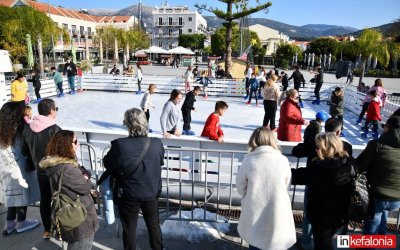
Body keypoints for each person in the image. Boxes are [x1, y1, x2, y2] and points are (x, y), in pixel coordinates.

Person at [103, 108, 164, 250]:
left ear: (128, 124)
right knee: (153, 225)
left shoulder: (120, 145)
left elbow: (108, 164)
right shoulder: (156, 143)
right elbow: (159, 162)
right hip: (151, 191)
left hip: (129, 193)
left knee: (129, 228)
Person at [236, 127, 296, 250]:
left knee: (255, 241)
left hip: (254, 209)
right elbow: (287, 184)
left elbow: (240, 186)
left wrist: (250, 196)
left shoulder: (249, 160)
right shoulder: (282, 160)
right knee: (276, 241)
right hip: (278, 209)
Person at [291, 133, 353, 250]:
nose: (315, 149)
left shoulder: (319, 168)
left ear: (327, 148)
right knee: (327, 240)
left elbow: (297, 176)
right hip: (341, 213)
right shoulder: (348, 163)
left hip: (322, 215)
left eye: (318, 146)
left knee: (323, 244)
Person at [39, 130, 98, 249]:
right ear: (66, 145)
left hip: (69, 210)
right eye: (75, 141)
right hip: (79, 216)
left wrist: (83, 174)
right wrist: (86, 176)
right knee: (82, 243)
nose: (78, 144)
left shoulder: (57, 164)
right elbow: (85, 187)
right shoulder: (67, 168)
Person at [22, 98, 61, 239]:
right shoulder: (55, 129)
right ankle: (60, 228)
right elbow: (64, 151)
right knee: (59, 199)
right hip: (56, 171)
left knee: (45, 199)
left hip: (40, 171)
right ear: (51, 111)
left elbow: (25, 150)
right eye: (56, 109)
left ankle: (47, 230)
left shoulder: (28, 128)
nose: (56, 111)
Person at [0, 102, 40, 235]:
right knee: (22, 194)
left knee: (11, 194)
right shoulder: (21, 129)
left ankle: (9, 222)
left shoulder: (2, 130)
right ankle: (21, 221)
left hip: (5, 169)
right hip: (20, 167)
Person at [356, 115, 400, 235]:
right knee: (381, 219)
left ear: (388, 128)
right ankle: (382, 239)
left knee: (371, 227)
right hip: (397, 198)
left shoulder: (377, 145)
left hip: (378, 195)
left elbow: (359, 165)